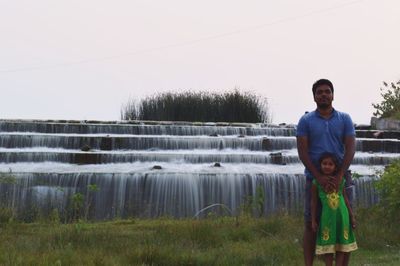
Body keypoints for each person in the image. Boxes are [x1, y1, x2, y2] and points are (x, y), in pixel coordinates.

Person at [296, 79, 356, 266]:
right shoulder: (306, 121)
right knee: (310, 223)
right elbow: (303, 151)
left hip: (341, 178)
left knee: (344, 223)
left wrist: (339, 176)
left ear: (333, 95)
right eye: (319, 92)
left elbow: (351, 147)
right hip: (314, 179)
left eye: (327, 91)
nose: (323, 94)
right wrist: (318, 177)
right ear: (314, 96)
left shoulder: (344, 119)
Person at [311, 153, 357, 266]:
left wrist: (352, 216)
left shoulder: (341, 181)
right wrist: (313, 220)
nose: (327, 166)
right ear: (320, 165)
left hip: (342, 217)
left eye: (330, 164)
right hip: (327, 219)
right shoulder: (316, 183)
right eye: (324, 163)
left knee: (341, 246)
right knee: (328, 247)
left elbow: (346, 200)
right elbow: (314, 202)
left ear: (335, 167)